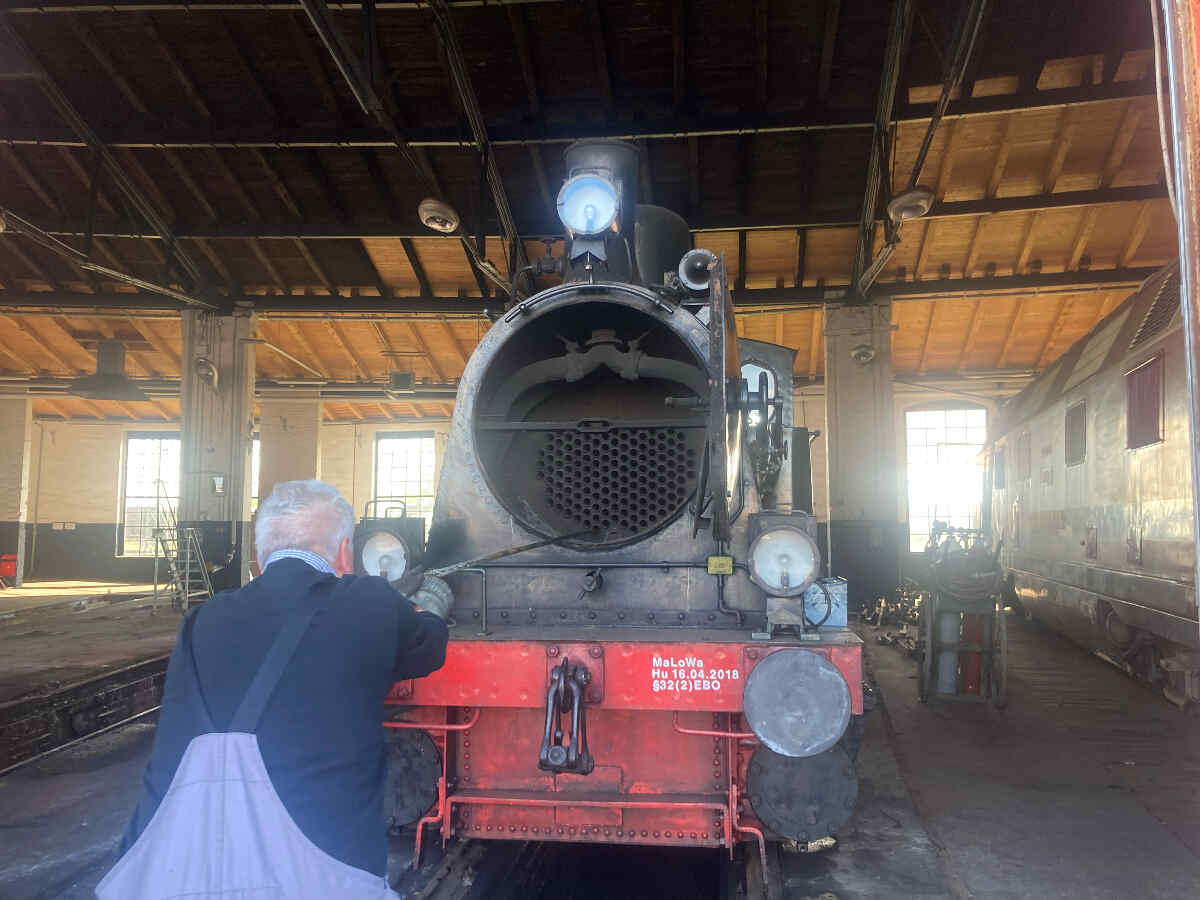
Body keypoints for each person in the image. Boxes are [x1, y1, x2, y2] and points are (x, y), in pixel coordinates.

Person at [97, 479, 449, 899]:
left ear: (259, 558)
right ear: (344, 553)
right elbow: (429, 648)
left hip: (176, 866)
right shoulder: (370, 600)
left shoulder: (202, 620)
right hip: (324, 873)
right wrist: (429, 602)